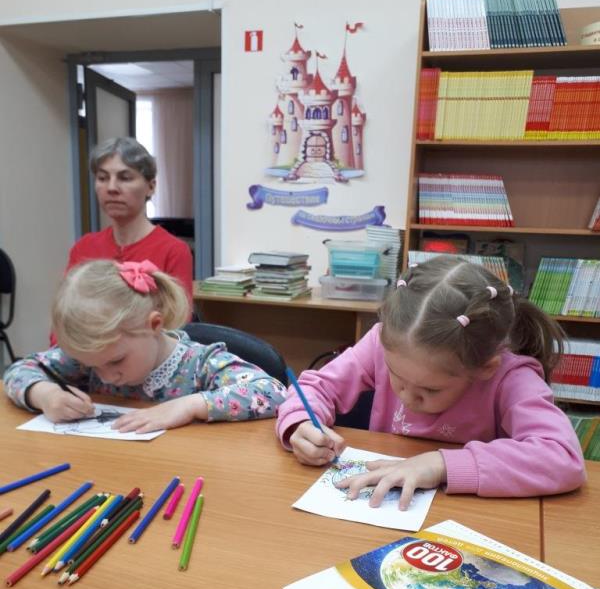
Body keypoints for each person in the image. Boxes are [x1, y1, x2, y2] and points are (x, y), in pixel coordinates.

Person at [276, 255, 585, 508]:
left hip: (469, 516)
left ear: (484, 368)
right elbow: (316, 387)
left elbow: (563, 458)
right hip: (384, 507)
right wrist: (300, 423)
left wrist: (440, 465)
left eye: (430, 389)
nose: (407, 398)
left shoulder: (511, 378)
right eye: (396, 376)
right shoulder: (380, 344)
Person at [5, 259, 286, 432]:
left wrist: (190, 406)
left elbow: (272, 392)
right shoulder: (94, 357)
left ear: (154, 325)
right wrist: (43, 394)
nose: (105, 376)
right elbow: (19, 369)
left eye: (116, 361)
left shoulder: (200, 364)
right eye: (94, 367)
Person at [65, 137, 193, 309]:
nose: (111, 188)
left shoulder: (173, 251)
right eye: (102, 178)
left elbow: (178, 320)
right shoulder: (84, 248)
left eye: (125, 178)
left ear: (151, 187)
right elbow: (66, 314)